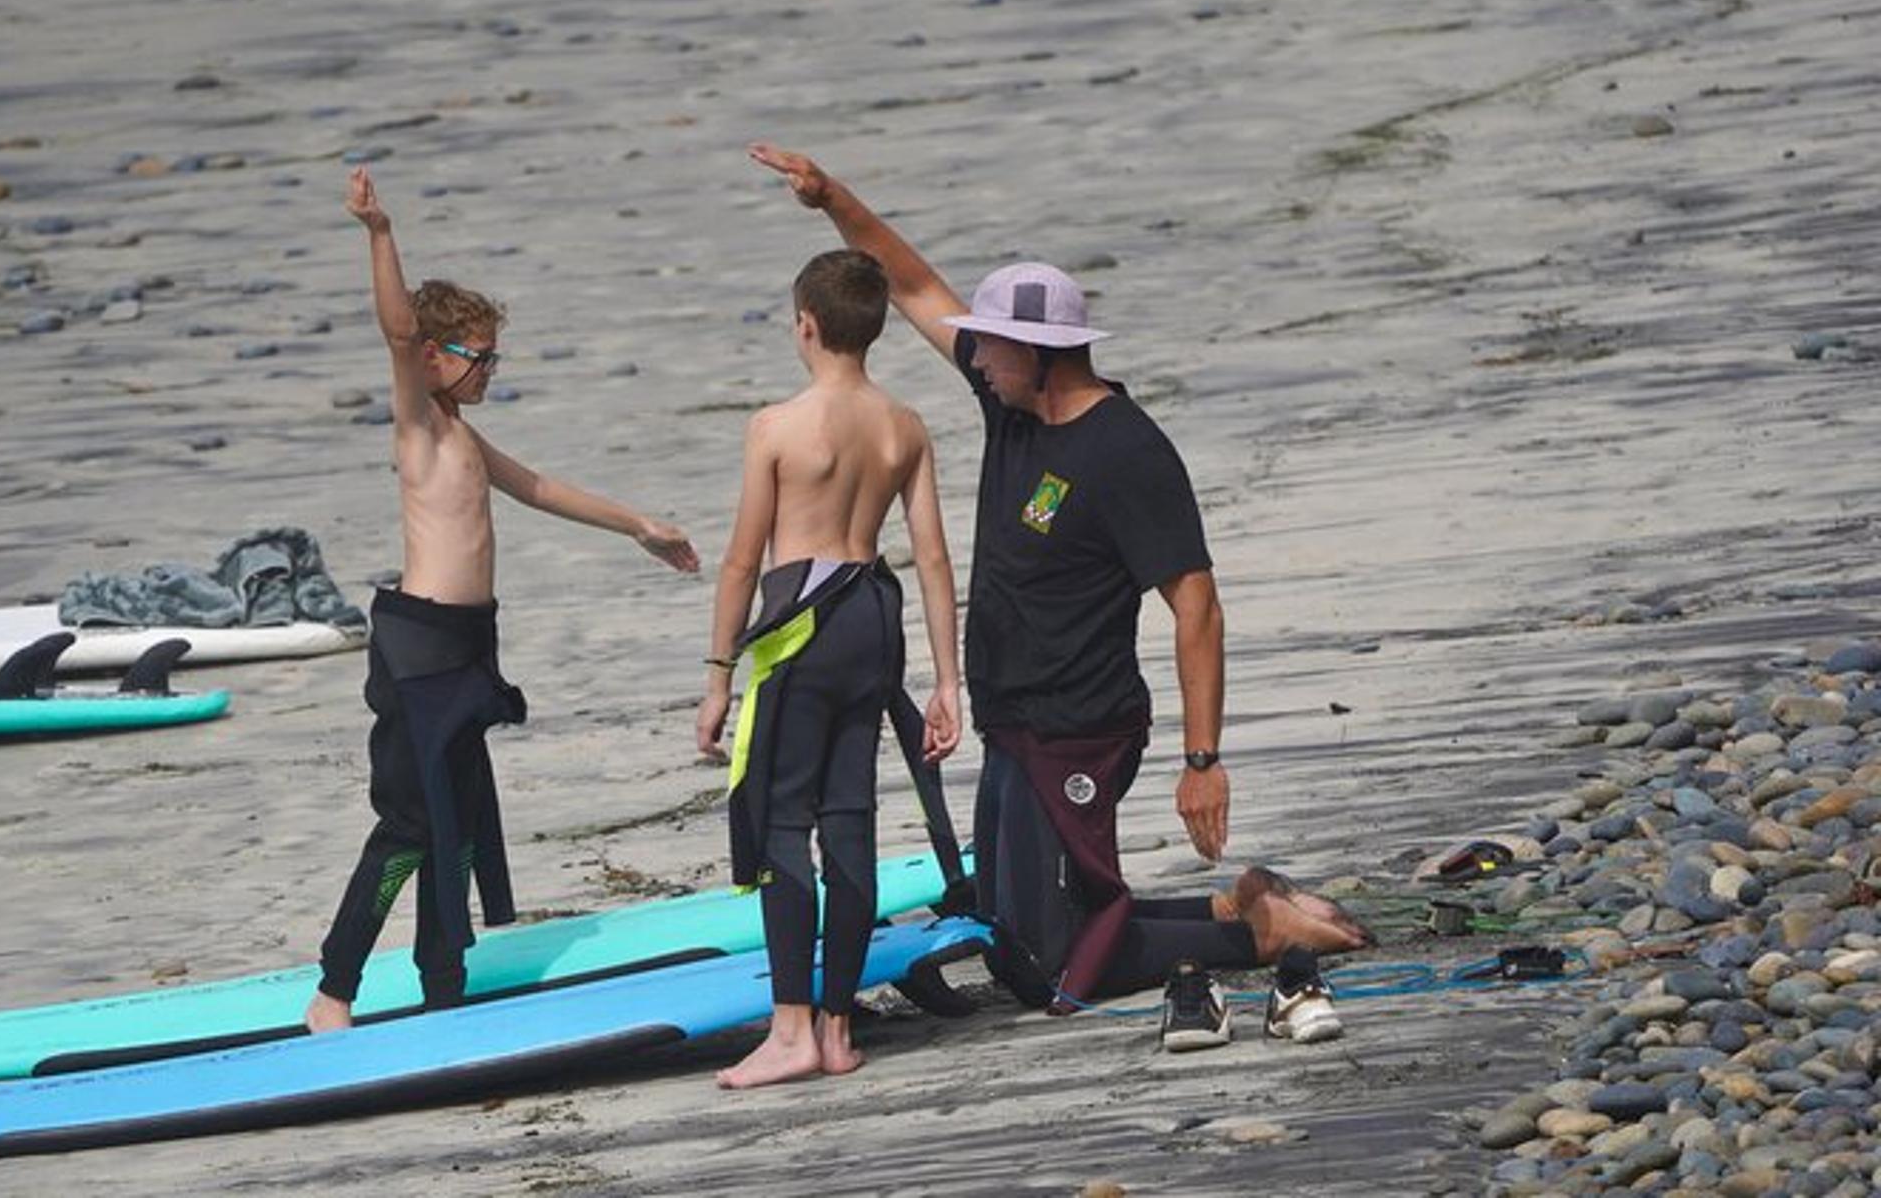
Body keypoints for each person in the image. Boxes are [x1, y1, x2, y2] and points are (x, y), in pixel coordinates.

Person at [748, 145, 1370, 1047]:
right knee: (1011, 928)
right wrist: (832, 198)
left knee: (1047, 962)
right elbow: (917, 285)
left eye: (992, 346)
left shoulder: (1126, 452)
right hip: (1015, 720)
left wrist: (1203, 760)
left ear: (1042, 354)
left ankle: (1254, 933)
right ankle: (1234, 904)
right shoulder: (1013, 401)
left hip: (1080, 723)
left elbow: (1196, 603)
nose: (976, 358)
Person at [305, 167, 701, 1033]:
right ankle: (333, 991)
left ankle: (442, 981)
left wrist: (637, 522)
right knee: (408, 826)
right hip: (416, 656)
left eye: (493, 356)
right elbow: (399, 329)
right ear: (439, 358)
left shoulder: (465, 434)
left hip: (464, 649)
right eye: (479, 356)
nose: (489, 370)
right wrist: (379, 232)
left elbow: (542, 485)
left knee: (459, 825)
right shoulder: (416, 418)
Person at [695, 247, 962, 1087]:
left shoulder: (776, 426)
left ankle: (790, 1029)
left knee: (781, 821)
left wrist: (716, 677)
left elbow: (743, 561)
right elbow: (932, 557)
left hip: (802, 630)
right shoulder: (904, 426)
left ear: (805, 325)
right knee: (849, 817)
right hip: (872, 620)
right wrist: (949, 682)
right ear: (874, 329)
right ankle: (840, 1026)